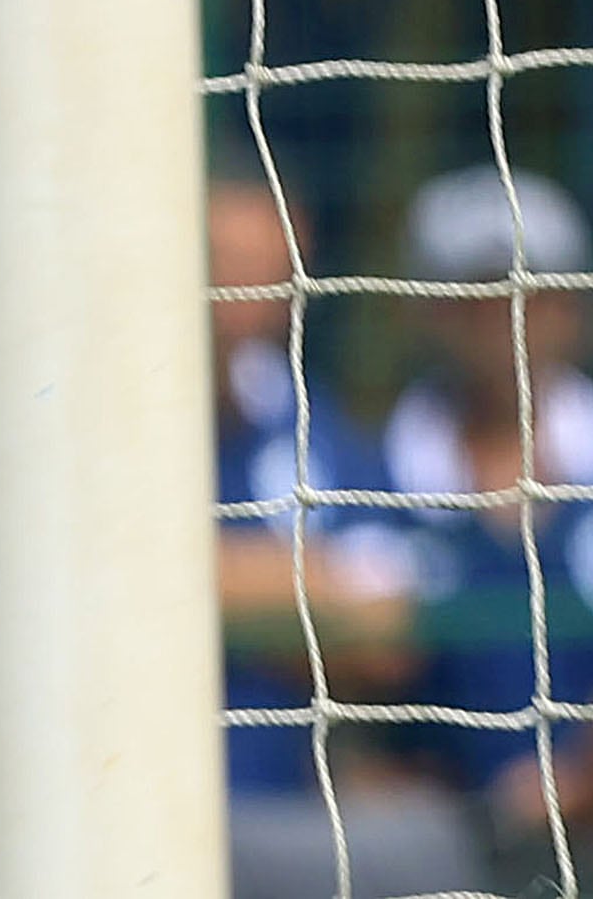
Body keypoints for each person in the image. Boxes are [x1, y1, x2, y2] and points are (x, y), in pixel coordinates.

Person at [376, 168, 593, 816]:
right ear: (425, 313)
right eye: (474, 296)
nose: (505, 319)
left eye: (533, 293)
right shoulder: (366, 483)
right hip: (444, 847)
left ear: (579, 306)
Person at [206, 173, 461, 899]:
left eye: (269, 266)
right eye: (225, 263)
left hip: (297, 801)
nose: (246, 293)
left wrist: (221, 594)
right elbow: (115, 588)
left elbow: (386, 636)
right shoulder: (116, 419)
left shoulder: (318, 425)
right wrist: (302, 594)